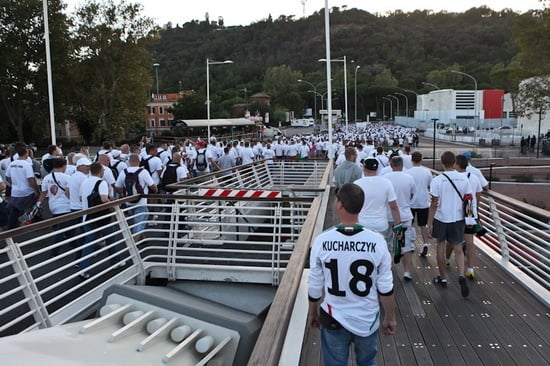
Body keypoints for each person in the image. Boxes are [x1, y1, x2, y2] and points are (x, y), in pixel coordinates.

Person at [308, 183, 397, 366]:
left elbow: (315, 284)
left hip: (333, 317)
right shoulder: (377, 241)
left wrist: (312, 313)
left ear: (339, 205)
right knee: (368, 362)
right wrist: (390, 317)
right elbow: (385, 288)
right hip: (367, 318)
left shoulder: (322, 240)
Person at [428, 151, 473, 297]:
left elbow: (434, 203)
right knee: (458, 248)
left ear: (442, 162)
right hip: (458, 218)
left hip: (441, 218)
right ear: (454, 163)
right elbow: (469, 200)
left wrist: (429, 223)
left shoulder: (438, 180)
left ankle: (443, 277)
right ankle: (461, 275)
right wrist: (470, 220)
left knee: (440, 247)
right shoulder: (464, 179)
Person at [449, 154, 483, 279]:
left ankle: (448, 260)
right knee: (470, 242)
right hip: (470, 213)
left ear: (456, 164)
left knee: (453, 240)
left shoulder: (453, 178)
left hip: (455, 214)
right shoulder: (474, 178)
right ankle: (470, 268)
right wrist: (475, 209)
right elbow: (478, 196)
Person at [354, 158, 401, 245]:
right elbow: (394, 207)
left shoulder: (357, 184)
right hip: (381, 225)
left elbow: (352, 207)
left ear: (364, 168)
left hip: (362, 224)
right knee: (383, 251)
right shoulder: (386, 183)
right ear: (377, 169)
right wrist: (398, 225)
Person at [384, 156, 417, 280]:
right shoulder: (409, 178)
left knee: (387, 243)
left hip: (388, 215)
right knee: (406, 243)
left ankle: (387, 269)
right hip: (405, 215)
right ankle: (407, 271)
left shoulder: (385, 179)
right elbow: (414, 193)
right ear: (402, 165)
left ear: (390, 165)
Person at [115, 154, 158, 242]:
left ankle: (142, 239)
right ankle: (132, 246)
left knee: (136, 223)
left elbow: (117, 187)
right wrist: (155, 191)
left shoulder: (124, 172)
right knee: (139, 225)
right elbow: (153, 186)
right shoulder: (143, 172)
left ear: (129, 162)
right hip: (141, 202)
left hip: (129, 202)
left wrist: (123, 193)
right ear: (139, 161)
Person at [5, 142, 40, 229]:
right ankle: (29, 221)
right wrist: (36, 190)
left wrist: (13, 183)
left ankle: (11, 227)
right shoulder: (27, 165)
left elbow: (7, 176)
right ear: (26, 154)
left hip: (15, 191)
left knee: (14, 210)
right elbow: (30, 179)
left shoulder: (12, 164)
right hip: (27, 191)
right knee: (34, 206)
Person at [405, 152, 433, 256]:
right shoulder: (427, 172)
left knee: (409, 224)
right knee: (423, 225)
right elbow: (430, 186)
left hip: (410, 202)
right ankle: (425, 243)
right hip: (423, 202)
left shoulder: (407, 172)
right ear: (421, 160)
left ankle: (409, 244)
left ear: (411, 160)